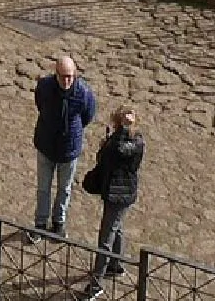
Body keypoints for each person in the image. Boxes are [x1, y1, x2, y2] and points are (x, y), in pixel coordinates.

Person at [82, 106, 145, 298]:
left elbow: (119, 152)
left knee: (105, 238)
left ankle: (96, 283)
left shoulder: (135, 142)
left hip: (121, 194)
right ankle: (116, 265)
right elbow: (103, 159)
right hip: (113, 190)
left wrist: (117, 135)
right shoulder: (117, 139)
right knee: (116, 228)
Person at [33, 52, 97, 237]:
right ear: (56, 74)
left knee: (64, 188)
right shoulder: (45, 87)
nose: (67, 80)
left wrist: (72, 130)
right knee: (43, 188)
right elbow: (40, 104)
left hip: (69, 150)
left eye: (70, 76)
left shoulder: (83, 93)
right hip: (46, 145)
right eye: (63, 76)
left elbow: (88, 115)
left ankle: (59, 221)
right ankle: (40, 223)